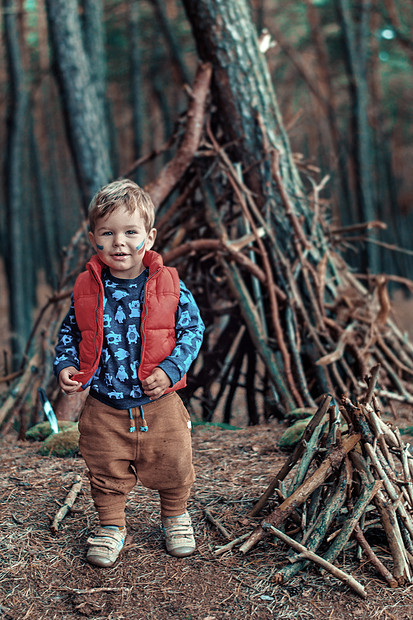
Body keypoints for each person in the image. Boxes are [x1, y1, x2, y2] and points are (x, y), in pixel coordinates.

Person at [54, 179, 205, 568]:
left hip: (159, 401)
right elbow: (70, 330)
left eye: (130, 232)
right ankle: (111, 526)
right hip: (104, 403)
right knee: (104, 467)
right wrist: (67, 365)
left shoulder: (169, 284)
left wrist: (172, 370)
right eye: (108, 233)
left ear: (149, 237)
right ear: (94, 239)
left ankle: (175, 516)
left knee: (174, 462)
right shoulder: (87, 286)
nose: (119, 242)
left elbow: (193, 329)